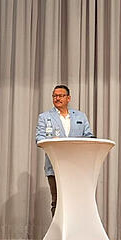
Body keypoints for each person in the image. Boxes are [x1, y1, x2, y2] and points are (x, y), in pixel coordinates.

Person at [35, 85, 93, 215]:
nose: (57, 98)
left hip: (77, 166)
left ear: (68, 98)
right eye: (55, 96)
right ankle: (59, 233)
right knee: (57, 201)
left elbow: (88, 136)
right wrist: (51, 142)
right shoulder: (44, 117)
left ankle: (75, 233)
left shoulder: (80, 117)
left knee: (76, 200)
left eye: (61, 96)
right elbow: (39, 139)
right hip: (55, 166)